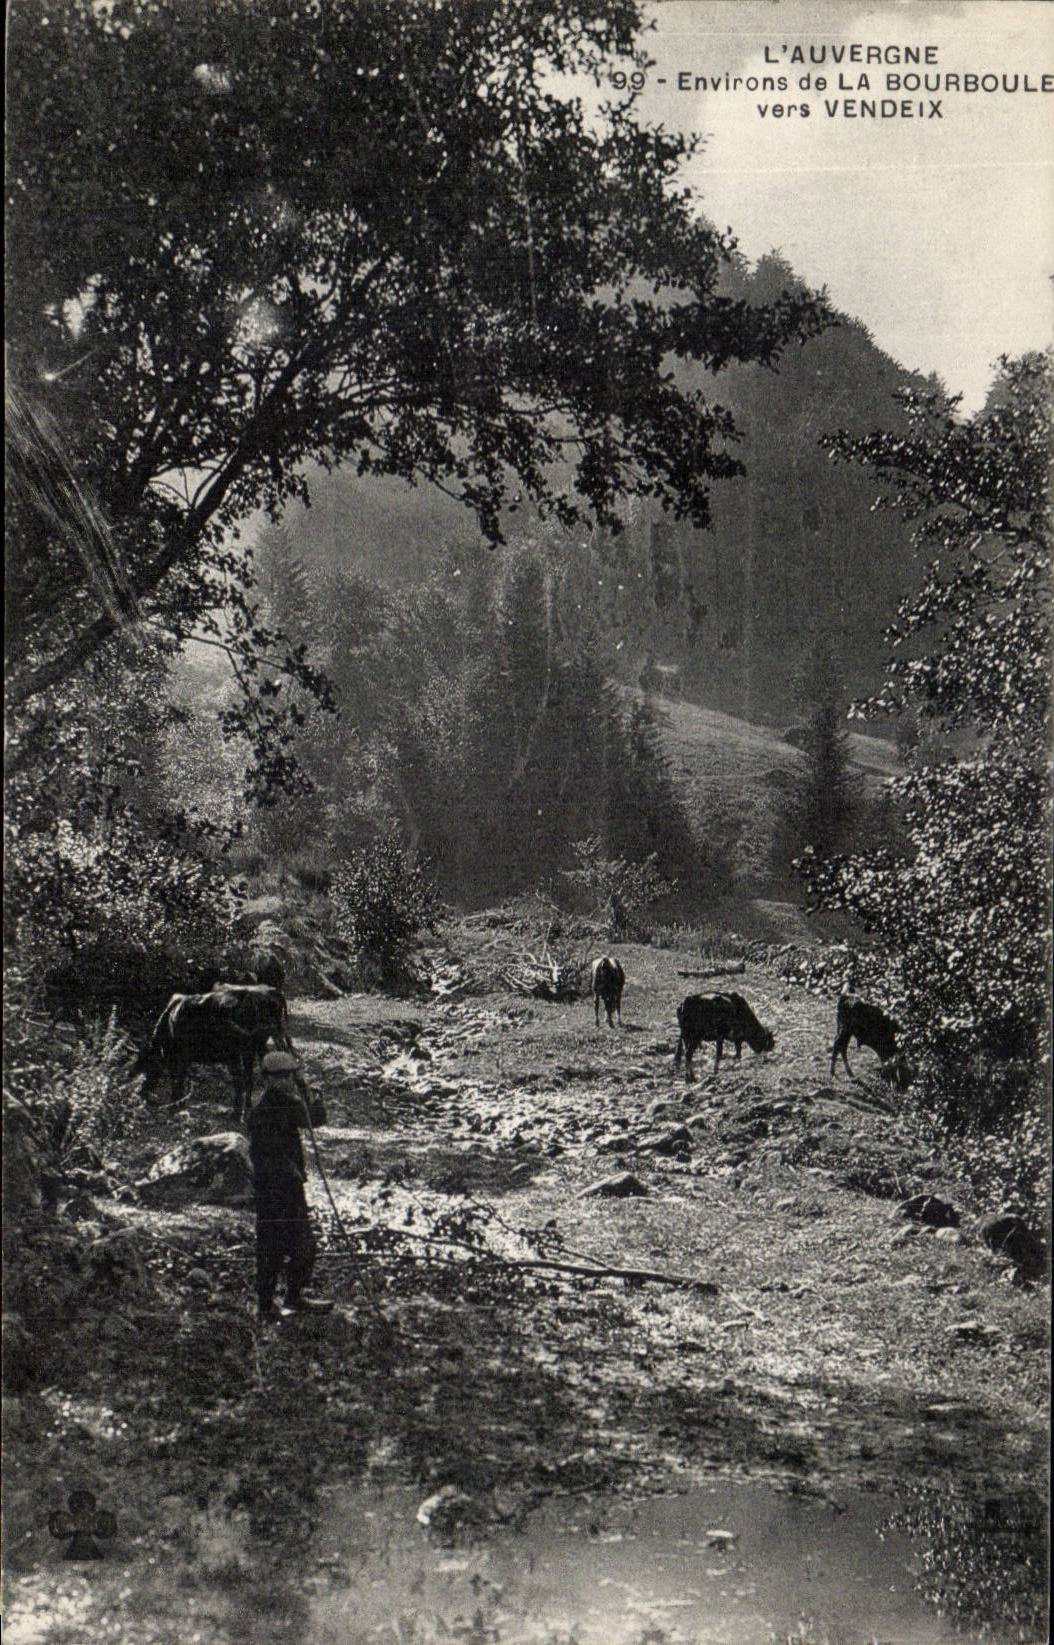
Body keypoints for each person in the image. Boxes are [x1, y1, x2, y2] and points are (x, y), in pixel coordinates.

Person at [247, 1050, 333, 1320]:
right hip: (273, 1191)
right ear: (268, 1079)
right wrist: (288, 1172)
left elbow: (316, 1119)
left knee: (304, 1246)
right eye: (280, 1076)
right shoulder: (263, 1111)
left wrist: (307, 1089)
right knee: (271, 1248)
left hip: (290, 1188)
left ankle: (294, 1298)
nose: (285, 1081)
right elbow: (266, 1155)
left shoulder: (287, 1103)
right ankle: (265, 1306)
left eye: (289, 1076)